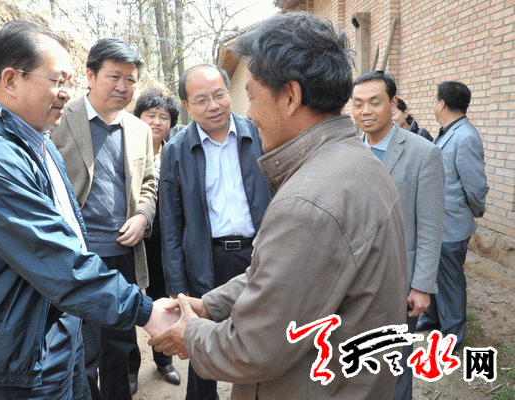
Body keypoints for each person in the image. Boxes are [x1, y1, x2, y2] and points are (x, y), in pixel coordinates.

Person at [150, 12, 408, 400]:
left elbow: (253, 346)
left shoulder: (308, 201)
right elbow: (281, 278)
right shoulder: (356, 161)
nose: (249, 112)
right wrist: (208, 306)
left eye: (252, 96)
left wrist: (192, 334)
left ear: (289, 97)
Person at [0, 19, 175, 400]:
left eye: (69, 82)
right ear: (11, 80)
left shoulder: (40, 140)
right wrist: (146, 312)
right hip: (14, 348)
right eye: (57, 81)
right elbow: (53, 255)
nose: (66, 92)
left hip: (57, 326)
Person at [51, 38, 157, 400]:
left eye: (131, 79)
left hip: (124, 255)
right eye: (114, 76)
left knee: (120, 348)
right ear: (90, 76)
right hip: (78, 257)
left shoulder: (139, 130)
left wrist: (142, 215)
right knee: (82, 351)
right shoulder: (60, 120)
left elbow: (149, 183)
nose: (123, 87)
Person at [158, 63, 273, 400]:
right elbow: (170, 225)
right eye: (202, 100)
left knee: (261, 339)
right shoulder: (176, 151)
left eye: (219, 95)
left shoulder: (260, 134)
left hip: (258, 254)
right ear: (187, 106)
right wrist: (178, 288)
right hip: (206, 261)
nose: (214, 106)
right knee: (200, 346)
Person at [352, 71, 445, 400]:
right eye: (358, 103)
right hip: (353, 281)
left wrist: (422, 285)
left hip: (398, 280)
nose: (366, 111)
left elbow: (431, 226)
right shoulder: (347, 150)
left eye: (374, 102)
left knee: (395, 363)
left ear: (392, 104)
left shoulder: (423, 153)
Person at [417, 81, 489, 350]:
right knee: (433, 274)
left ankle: (453, 333)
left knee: (450, 280)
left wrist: (475, 210)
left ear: (442, 104)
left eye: (434, 100)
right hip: (438, 223)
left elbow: (475, 186)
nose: (433, 105)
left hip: (452, 224)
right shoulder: (449, 132)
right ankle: (433, 318)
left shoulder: (465, 137)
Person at [132, 87, 182, 386]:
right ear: (138, 117)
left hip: (163, 241)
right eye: (150, 115)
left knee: (162, 301)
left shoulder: (175, 153)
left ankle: (164, 360)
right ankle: (129, 368)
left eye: (164, 117)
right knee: (127, 301)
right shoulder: (125, 150)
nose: (157, 122)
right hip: (131, 238)